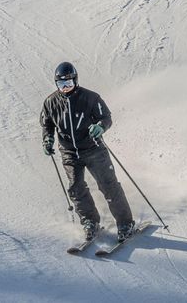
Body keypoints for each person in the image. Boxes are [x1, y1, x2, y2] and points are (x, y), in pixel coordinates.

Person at [40, 62, 135, 242]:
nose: (65, 88)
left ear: (75, 80)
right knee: (76, 188)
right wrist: (48, 139)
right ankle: (90, 222)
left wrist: (100, 127)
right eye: (61, 84)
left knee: (108, 184)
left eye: (68, 83)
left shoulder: (90, 98)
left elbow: (106, 117)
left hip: (93, 149)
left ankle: (125, 223)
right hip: (69, 152)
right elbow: (47, 124)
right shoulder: (51, 102)